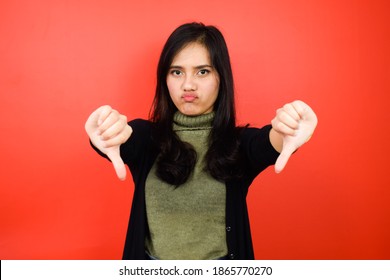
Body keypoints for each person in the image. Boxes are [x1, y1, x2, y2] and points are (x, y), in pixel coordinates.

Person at [85, 22, 317, 260]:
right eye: (177, 72)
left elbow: (268, 142)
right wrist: (103, 132)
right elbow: (122, 138)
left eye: (202, 71)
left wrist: (289, 129)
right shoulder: (147, 138)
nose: (188, 85)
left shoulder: (238, 145)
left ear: (220, 77)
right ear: (165, 78)